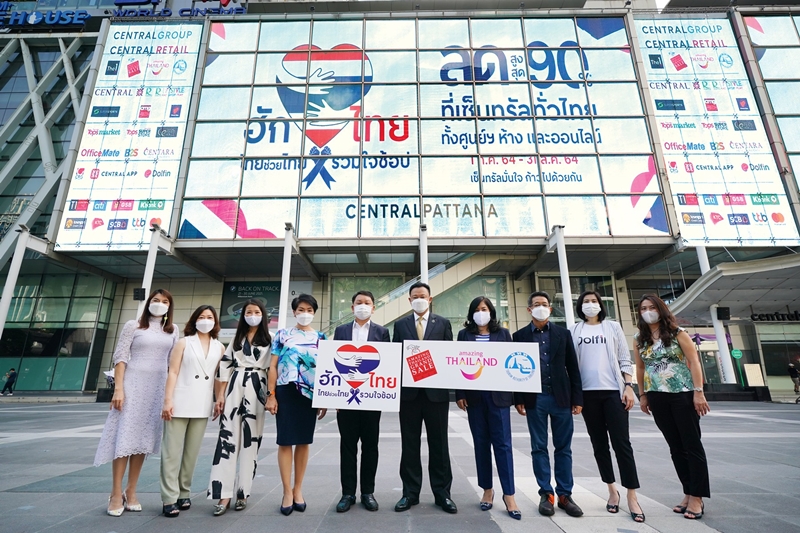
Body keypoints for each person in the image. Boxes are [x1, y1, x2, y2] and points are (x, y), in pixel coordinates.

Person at [94, 289, 178, 516]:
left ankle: (131, 491)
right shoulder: (133, 325)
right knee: (124, 438)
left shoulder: (172, 330)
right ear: (149, 302)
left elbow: (173, 363)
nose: (160, 304)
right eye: (156, 300)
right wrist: (119, 389)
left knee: (142, 441)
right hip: (133, 385)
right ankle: (115, 492)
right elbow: (120, 357)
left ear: (170, 306)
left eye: (164, 302)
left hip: (157, 389)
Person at [634, 294, 710, 521]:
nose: (648, 311)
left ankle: (697, 497)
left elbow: (694, 362)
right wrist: (643, 395)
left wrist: (698, 392)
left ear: (661, 309)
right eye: (643, 308)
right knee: (676, 447)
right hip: (657, 397)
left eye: (651, 307)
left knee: (692, 445)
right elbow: (640, 367)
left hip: (683, 394)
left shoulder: (678, 334)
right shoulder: (639, 338)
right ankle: (687, 491)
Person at [570, 291, 644, 523]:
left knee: (622, 444)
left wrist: (629, 386)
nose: (590, 305)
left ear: (601, 305)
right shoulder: (574, 330)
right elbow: (571, 363)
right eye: (585, 302)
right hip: (588, 395)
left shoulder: (612, 328)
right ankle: (612, 490)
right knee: (599, 444)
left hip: (613, 392)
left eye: (594, 302)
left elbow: (624, 356)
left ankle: (632, 496)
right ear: (579, 307)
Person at [513, 291, 583, 518]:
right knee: (538, 447)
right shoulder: (520, 335)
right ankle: (546, 494)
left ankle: (565, 495)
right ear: (529, 309)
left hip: (561, 397)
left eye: (544, 304)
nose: (540, 307)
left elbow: (573, 367)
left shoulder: (563, 334)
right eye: (536, 304)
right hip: (535, 399)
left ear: (550, 309)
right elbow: (513, 368)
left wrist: (577, 398)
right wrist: (519, 398)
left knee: (564, 447)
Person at [392, 282, 456, 514]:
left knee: (439, 445)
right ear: (409, 300)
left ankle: (442, 494)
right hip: (409, 395)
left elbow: (450, 356)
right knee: (409, 445)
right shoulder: (400, 325)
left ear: (430, 299)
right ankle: (409, 493)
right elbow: (395, 356)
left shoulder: (443, 323)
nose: (419, 299)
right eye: (414, 296)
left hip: (436, 394)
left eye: (423, 296)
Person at [455, 296, 520, 520]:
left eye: (484, 309)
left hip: (498, 398)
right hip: (474, 398)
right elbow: (458, 362)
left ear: (491, 312)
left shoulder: (503, 334)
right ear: (471, 313)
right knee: (481, 445)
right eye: (477, 309)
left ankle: (509, 494)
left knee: (503, 445)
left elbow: (512, 362)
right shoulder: (464, 335)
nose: (481, 312)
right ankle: (487, 490)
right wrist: (460, 393)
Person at [207, 299, 271, 516]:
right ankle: (223, 494)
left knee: (251, 440)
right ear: (242, 315)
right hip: (235, 384)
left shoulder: (269, 339)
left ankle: (243, 492)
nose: (252, 315)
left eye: (256, 311)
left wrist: (272, 396)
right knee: (227, 437)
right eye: (248, 312)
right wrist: (220, 396)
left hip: (258, 385)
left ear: (263, 315)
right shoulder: (236, 338)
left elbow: (273, 369)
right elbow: (224, 366)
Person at [160, 305, 225, 517]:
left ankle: (183, 492)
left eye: (209, 317)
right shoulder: (183, 343)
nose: (205, 320)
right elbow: (173, 371)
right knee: (171, 452)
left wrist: (219, 399)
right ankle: (169, 498)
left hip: (202, 402)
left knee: (191, 453)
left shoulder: (219, 347)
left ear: (215, 322)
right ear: (194, 320)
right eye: (202, 316)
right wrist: (167, 399)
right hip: (179, 400)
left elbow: (219, 377)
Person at [266, 294, 327, 516]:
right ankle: (286, 492)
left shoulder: (321, 337)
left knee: (303, 441)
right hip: (286, 390)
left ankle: (298, 489)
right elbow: (272, 366)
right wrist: (271, 395)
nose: (304, 313)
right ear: (294, 312)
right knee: (285, 441)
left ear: (314, 312)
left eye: (309, 309)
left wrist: (324, 398)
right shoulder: (282, 335)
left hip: (310, 395)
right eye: (301, 309)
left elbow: (325, 370)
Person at [333, 290, 391, 513]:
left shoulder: (382, 332)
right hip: (346, 399)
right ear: (352, 307)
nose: (363, 306)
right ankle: (348, 493)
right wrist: (335, 395)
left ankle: (368, 492)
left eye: (367, 303)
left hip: (371, 399)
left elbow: (386, 363)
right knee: (347, 447)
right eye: (359, 303)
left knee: (370, 446)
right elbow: (333, 361)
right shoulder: (341, 331)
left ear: (374, 308)